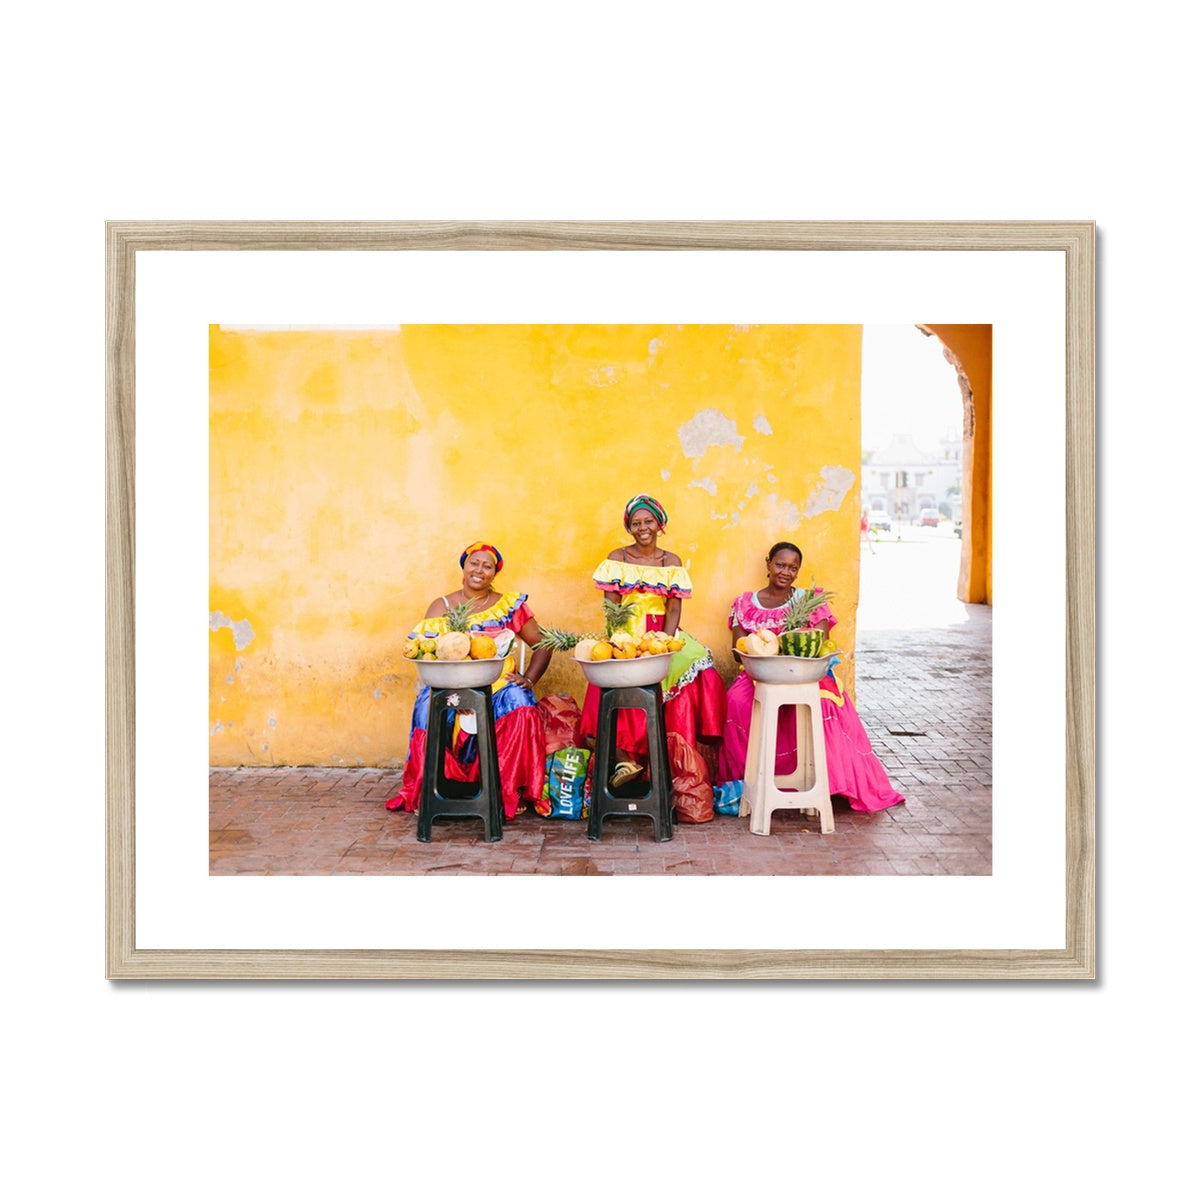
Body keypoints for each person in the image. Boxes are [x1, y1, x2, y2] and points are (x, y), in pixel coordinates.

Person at [714, 540, 905, 813]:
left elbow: (819, 643)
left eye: (793, 568)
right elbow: (737, 650)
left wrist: (790, 646)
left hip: (806, 672)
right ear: (768, 564)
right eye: (780, 565)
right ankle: (751, 781)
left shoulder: (809, 601)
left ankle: (824, 782)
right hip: (760, 672)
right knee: (736, 700)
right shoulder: (745, 603)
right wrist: (762, 647)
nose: (786, 572)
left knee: (825, 704)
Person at [579, 494, 727, 823]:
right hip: (626, 633)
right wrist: (622, 640)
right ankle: (625, 757)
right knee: (609, 676)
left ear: (660, 524)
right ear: (629, 527)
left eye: (648, 521)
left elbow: (673, 608)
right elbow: (612, 608)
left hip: (662, 633)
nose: (642, 528)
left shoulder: (670, 561)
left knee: (697, 667)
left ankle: (673, 759)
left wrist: (666, 642)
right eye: (636, 523)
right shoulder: (617, 558)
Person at [385, 542, 552, 819]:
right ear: (464, 567)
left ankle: (507, 789)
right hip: (449, 683)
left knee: (520, 701)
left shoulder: (508, 606)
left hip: (497, 685)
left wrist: (529, 678)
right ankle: (435, 787)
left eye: (487, 566)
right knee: (427, 704)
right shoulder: (441, 606)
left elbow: (543, 644)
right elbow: (426, 652)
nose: (479, 570)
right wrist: (457, 690)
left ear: (494, 573)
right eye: (474, 563)